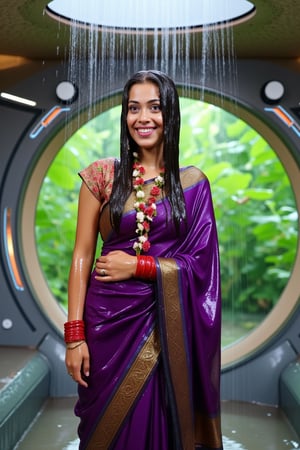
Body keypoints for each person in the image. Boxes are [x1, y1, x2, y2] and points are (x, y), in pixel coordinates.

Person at [65, 69, 223, 450]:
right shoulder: (102, 176)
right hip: (105, 324)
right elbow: (82, 256)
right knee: (105, 429)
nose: (143, 118)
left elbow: (202, 265)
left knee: (161, 425)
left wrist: (140, 266)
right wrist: (74, 337)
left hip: (165, 326)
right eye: (133, 108)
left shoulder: (192, 183)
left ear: (170, 114)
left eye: (154, 107)